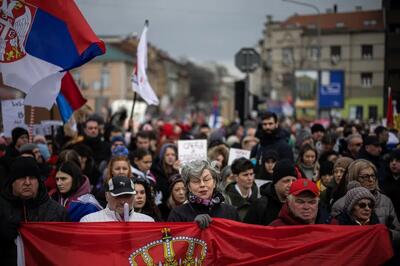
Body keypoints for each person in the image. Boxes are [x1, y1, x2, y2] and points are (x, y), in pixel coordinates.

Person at [0, 157, 69, 265]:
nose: (27, 182)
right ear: (12, 181)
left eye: (32, 178)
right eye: (21, 177)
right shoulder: (2, 209)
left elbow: (66, 252)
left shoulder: (58, 212)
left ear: (39, 181)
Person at [331, 159, 400, 244]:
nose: (371, 180)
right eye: (365, 177)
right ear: (354, 178)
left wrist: (385, 234)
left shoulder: (385, 201)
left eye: (373, 176)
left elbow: (397, 232)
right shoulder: (340, 205)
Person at [168, 160, 239, 228]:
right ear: (189, 187)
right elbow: (172, 238)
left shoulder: (230, 212)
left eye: (206, 180)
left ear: (214, 183)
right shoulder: (178, 214)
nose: (202, 185)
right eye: (196, 181)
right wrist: (192, 226)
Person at [244, 159, 297, 225]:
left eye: (294, 181)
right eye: (286, 181)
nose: (291, 184)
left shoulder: (298, 205)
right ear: (275, 182)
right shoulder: (260, 205)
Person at [80, 175, 154, 222]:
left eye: (127, 196)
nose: (122, 202)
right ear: (106, 196)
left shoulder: (147, 221)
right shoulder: (90, 221)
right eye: (117, 196)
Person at [270, 178, 334, 226]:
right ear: (289, 202)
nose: (306, 207)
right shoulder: (276, 228)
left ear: (318, 202)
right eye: (300, 202)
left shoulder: (332, 225)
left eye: (312, 202)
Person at [251, 111, 294, 180]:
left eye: (270, 124)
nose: (267, 127)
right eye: (265, 124)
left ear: (276, 124)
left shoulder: (284, 147)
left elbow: (289, 170)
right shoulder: (258, 146)